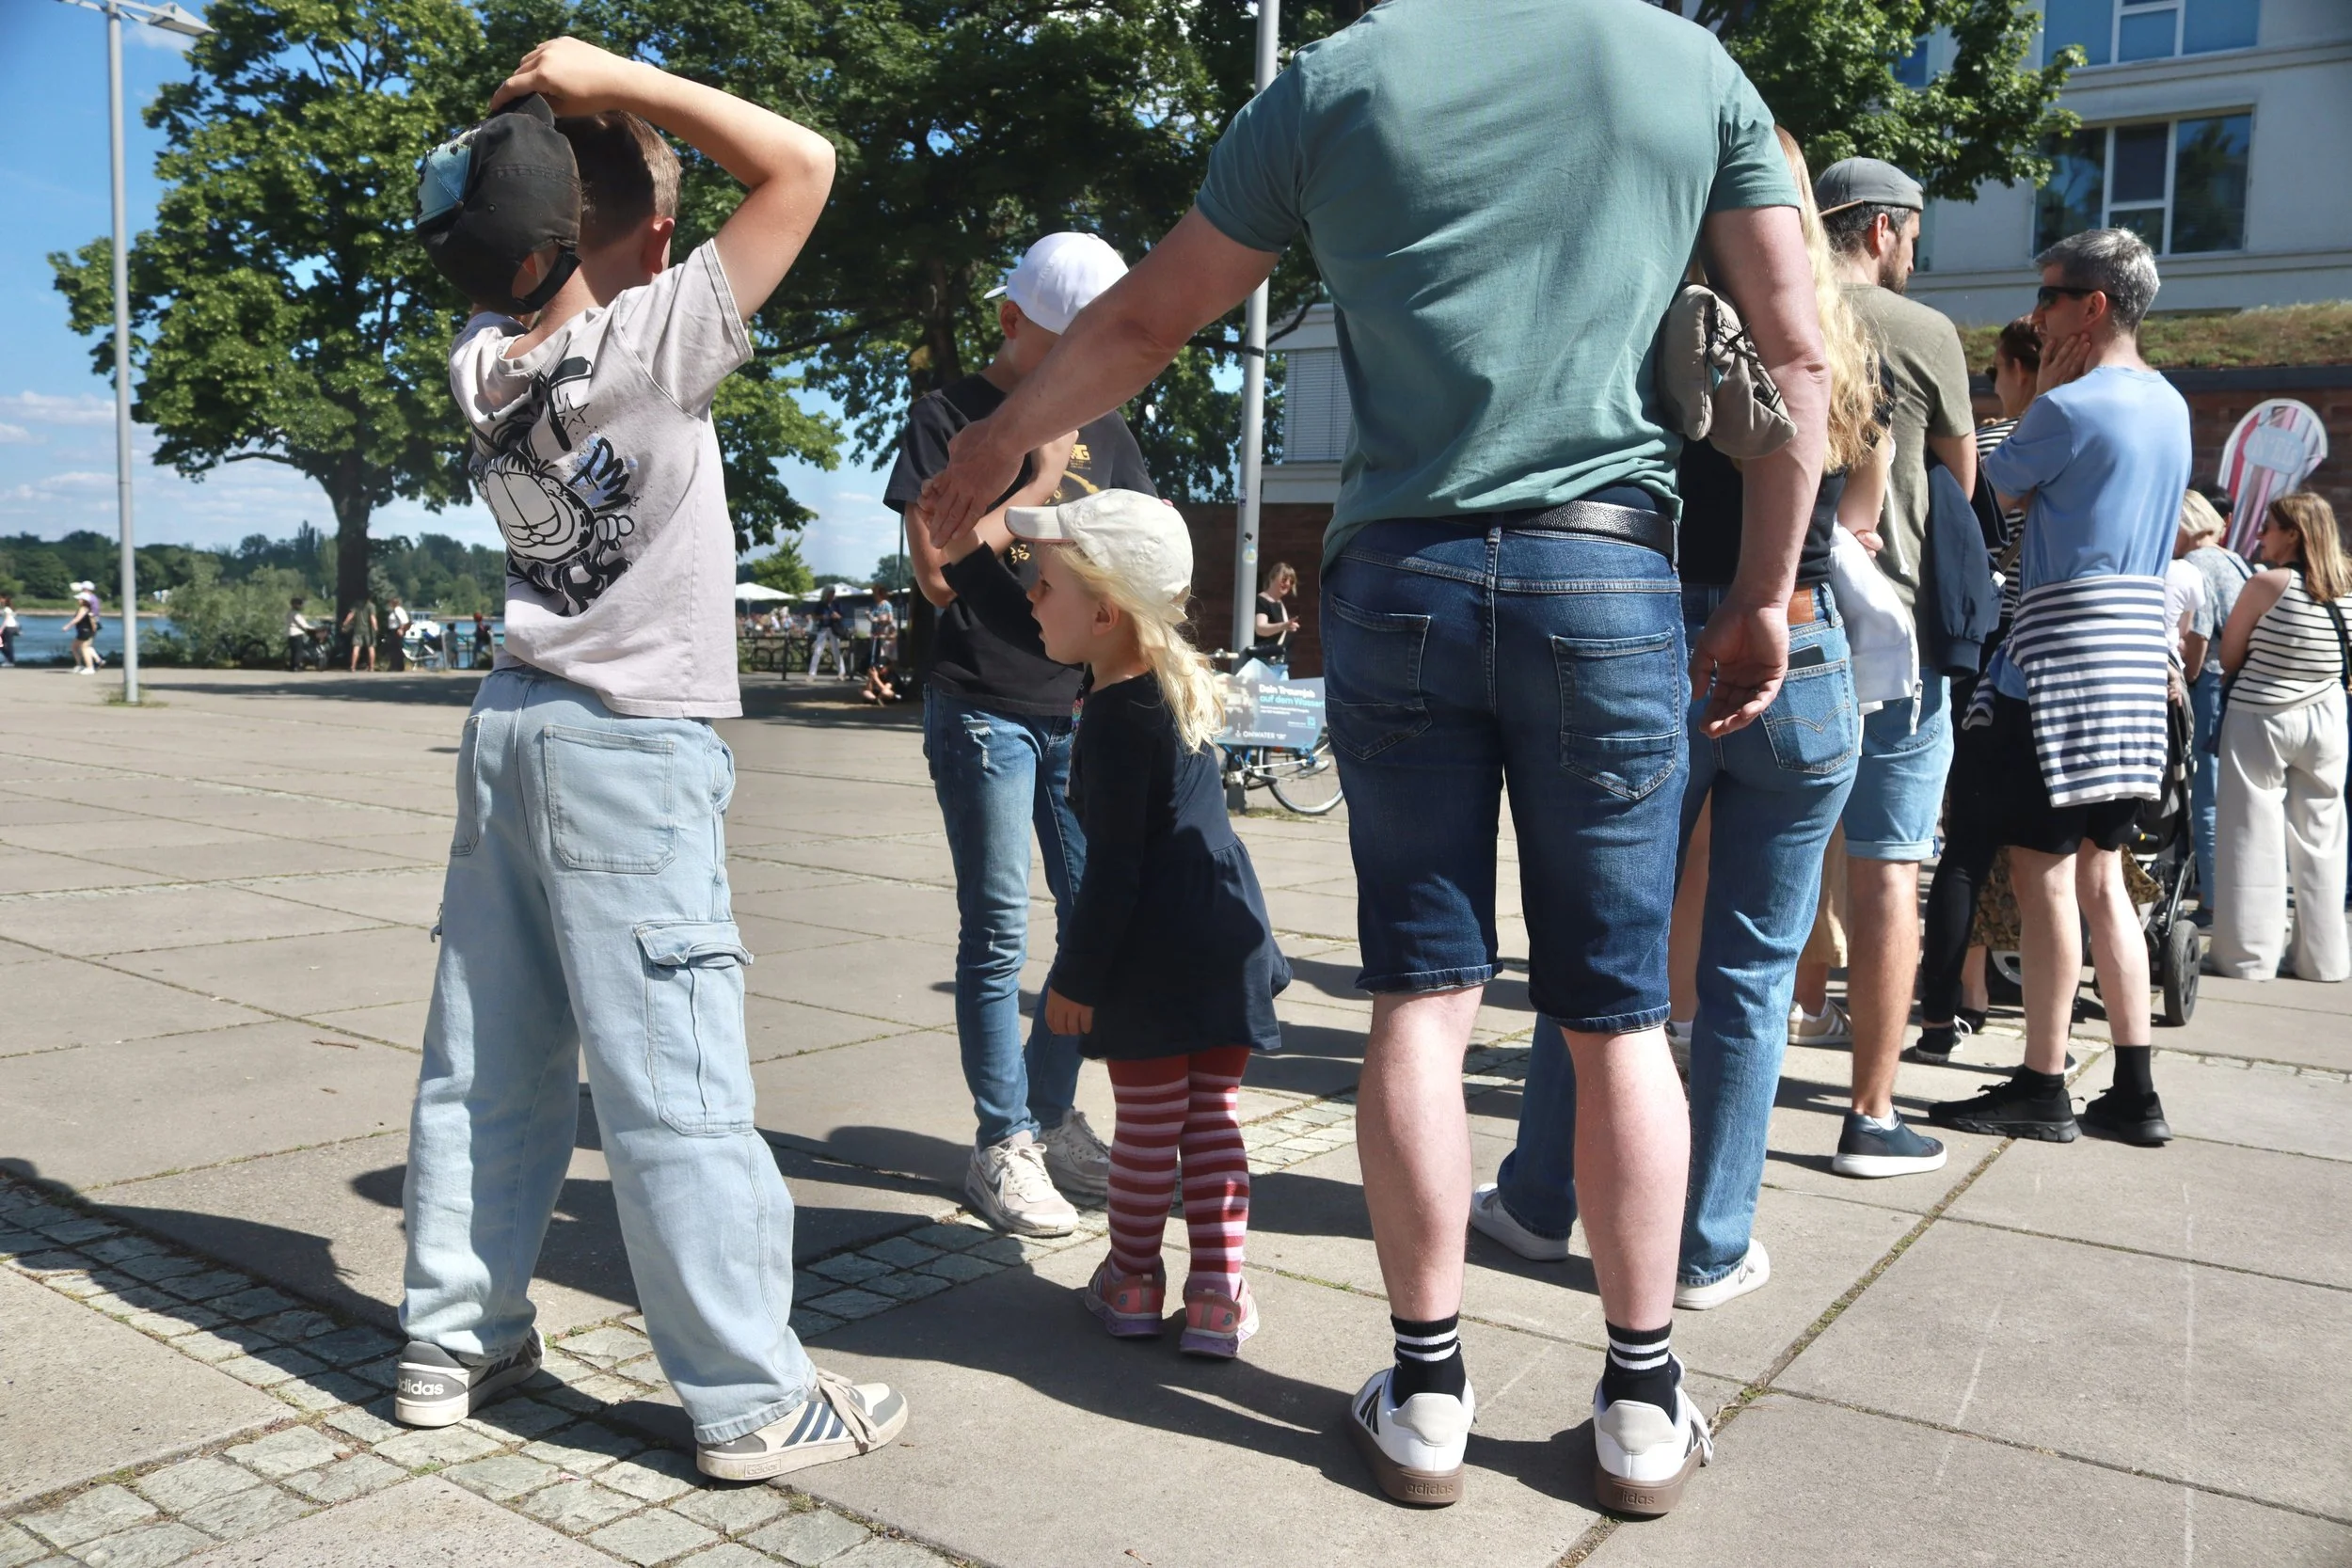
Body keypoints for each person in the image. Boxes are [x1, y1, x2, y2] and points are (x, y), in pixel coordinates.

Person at [913, 0, 1828, 1516]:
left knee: (1424, 987)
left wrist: (994, 442)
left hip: (1397, 575)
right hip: (1605, 575)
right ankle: (1644, 1401)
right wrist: (1766, 592)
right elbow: (1794, 354)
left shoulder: (1338, 79)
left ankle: (1426, 1386)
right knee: (1616, 1010)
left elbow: (1146, 320)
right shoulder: (1687, 66)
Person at [397, 39, 909, 1480]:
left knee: (485, 1054)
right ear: (659, 240)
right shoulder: (650, 340)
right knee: (675, 1080)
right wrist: (614, 73)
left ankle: (455, 1328)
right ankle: (749, 1393)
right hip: (630, 744)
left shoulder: (480, 362)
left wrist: (544, 139)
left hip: (510, 728)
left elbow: (538, 257)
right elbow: (803, 162)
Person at [1474, 125, 1874, 1310]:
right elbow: (1857, 517)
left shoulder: (1646, 315)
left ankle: (1545, 1200)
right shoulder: (1834, 340)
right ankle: (1707, 1245)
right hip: (1806, 647)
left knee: (1608, 951)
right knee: (1752, 971)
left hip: (1668, 640)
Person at [883, 231, 1154, 1238]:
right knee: (997, 928)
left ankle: (1050, 1113)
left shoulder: (1110, 426)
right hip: (986, 705)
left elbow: (1137, 556)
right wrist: (1033, 481)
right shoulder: (948, 417)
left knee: (1091, 922)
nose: (1088, 365)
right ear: (1009, 321)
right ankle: (1001, 1140)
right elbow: (935, 567)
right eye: (1066, 341)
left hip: (1081, 714)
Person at [1925, 228, 2190, 1148]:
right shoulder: (2169, 405)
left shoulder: (2067, 410)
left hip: (2055, 665)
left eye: (2048, 295)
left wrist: (2038, 397)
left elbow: (1976, 516)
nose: (2036, 313)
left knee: (2041, 880)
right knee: (2104, 877)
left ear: (2093, 306)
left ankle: (2042, 1078)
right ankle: (2135, 1084)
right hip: (2133, 671)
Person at [1018, 489, 1290, 1358]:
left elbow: (1116, 871)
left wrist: (1076, 978)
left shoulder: (1113, 717)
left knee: (1146, 1129)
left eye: (1044, 582)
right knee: (1212, 1117)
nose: (1030, 593)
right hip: (1221, 935)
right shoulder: (1176, 691)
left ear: (1102, 612)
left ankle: (1133, 1281)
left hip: (1149, 953)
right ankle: (1217, 1295)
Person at [1811, 156, 1977, 1180]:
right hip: (1892, 631)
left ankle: (1699, 1066)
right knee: (1886, 869)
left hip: (1776, 608)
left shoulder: (1757, 302)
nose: (1914, 252)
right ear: (1881, 229)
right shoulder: (1920, 333)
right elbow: (1958, 480)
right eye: (1913, 234)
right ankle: (1870, 1111)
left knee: (1752, 855)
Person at [2209, 492, 2350, 983]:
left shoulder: (2267, 583)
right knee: (2323, 837)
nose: (2259, 536)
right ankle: (2325, 958)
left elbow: (2229, 658)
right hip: (2328, 717)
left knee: (2251, 833)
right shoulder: (2348, 588)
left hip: (2261, 714)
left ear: (2293, 533)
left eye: (2267, 527)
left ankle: (2247, 957)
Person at [2181, 488, 2253, 920]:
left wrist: (2186, 679)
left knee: (2204, 795)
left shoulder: (2195, 565)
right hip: (2236, 682)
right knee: (2227, 795)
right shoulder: (2234, 559)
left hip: (2207, 681)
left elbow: (2199, 635)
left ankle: (2211, 899)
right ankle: (2228, 891)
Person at [1248, 561, 1299, 676]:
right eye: (1284, 579)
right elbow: (1260, 628)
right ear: (1273, 577)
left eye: (1291, 581)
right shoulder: (1262, 601)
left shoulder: (1280, 604)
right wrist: (1284, 626)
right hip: (1266, 665)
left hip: (1281, 666)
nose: (1287, 584)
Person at [341, 595, 377, 672]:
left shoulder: (356, 605)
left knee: (356, 647)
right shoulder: (371, 606)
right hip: (369, 631)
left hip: (358, 630)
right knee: (371, 647)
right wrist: (375, 627)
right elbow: (372, 617)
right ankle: (372, 667)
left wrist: (345, 623)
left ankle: (353, 667)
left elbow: (351, 615)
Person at [866, 584, 898, 671]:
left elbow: (890, 619)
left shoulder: (886, 605)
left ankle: (883, 673)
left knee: (883, 655)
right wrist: (869, 616)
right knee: (874, 654)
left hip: (883, 633)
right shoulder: (875, 605)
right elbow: (872, 619)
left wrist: (880, 619)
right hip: (875, 633)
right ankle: (874, 672)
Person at [286, 596, 319, 671]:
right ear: (296, 605)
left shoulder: (289, 613)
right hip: (296, 633)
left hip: (290, 633)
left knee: (293, 651)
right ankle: (297, 666)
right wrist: (312, 628)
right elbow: (303, 624)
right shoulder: (296, 614)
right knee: (298, 651)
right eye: (300, 604)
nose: (301, 606)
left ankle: (292, 666)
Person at [385, 594, 413, 670]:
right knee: (394, 649)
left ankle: (398, 666)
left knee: (396, 649)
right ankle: (394, 665)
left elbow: (404, 621)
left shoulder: (398, 610)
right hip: (392, 631)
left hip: (396, 631)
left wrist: (401, 629)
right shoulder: (394, 610)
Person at [1, 594, 19, 668]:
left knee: (7, 645)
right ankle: (9, 659)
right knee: (7, 644)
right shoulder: (9, 608)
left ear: (4, 599)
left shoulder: (7, 609)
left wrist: (1, 628)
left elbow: (7, 619)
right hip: (12, 627)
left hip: (8, 627)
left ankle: (10, 660)